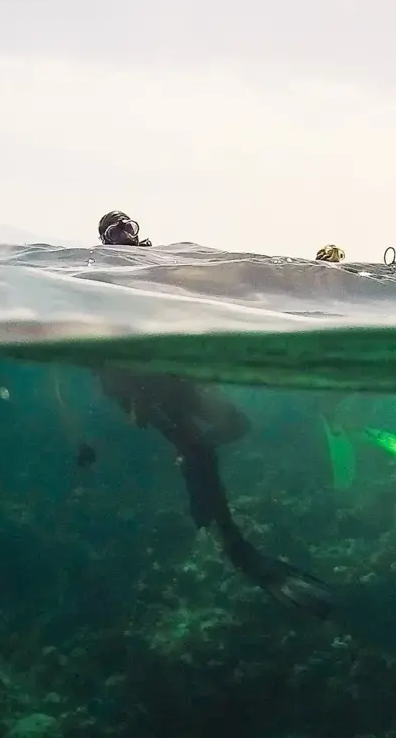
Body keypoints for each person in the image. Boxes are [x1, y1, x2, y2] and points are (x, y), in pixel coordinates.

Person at [92, 212, 336, 617]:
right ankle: (237, 548)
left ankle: (192, 456)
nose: (124, 235)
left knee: (237, 424)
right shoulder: (99, 267)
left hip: (175, 374)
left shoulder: (162, 262)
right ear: (103, 239)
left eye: (128, 226)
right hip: (144, 386)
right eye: (114, 231)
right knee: (202, 453)